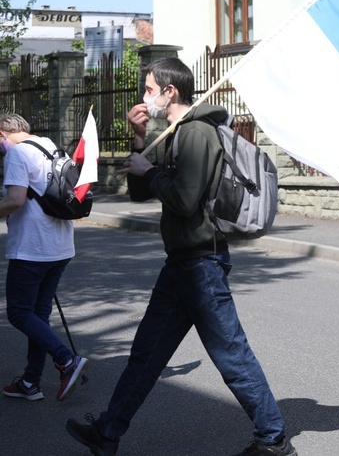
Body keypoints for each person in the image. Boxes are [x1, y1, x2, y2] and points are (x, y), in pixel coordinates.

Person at [66, 58, 296, 456]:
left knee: (231, 353)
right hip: (183, 265)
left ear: (170, 91)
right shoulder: (174, 133)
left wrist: (151, 173)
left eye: (149, 89)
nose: (144, 97)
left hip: (200, 264)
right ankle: (107, 432)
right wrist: (140, 141)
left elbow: (185, 200)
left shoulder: (195, 133)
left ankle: (273, 438)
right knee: (146, 355)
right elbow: (141, 195)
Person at [0, 113, 89, 403]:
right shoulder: (52, 147)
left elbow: (15, 200)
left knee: (18, 312)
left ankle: (66, 361)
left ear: (4, 133)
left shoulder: (16, 154)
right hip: (60, 246)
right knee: (37, 315)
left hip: (31, 247)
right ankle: (30, 381)